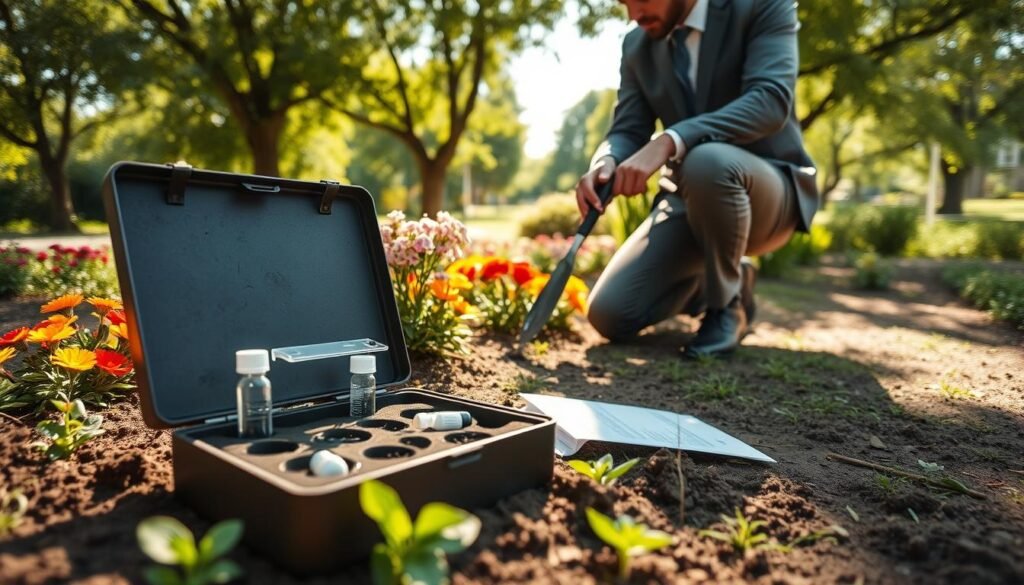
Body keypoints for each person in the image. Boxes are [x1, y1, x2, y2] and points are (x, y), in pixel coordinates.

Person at [576, 0, 819, 357]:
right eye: (624, 2)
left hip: (770, 194)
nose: (633, 14)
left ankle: (727, 307)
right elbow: (628, 127)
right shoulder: (637, 44)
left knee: (706, 160)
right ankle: (725, 280)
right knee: (611, 314)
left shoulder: (763, 7)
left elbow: (771, 100)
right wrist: (607, 159)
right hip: (688, 202)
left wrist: (671, 139)